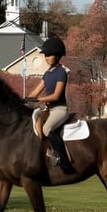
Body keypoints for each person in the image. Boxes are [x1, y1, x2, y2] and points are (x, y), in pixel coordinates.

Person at [29, 37, 74, 173]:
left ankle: (64, 161)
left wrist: (38, 100)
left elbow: (56, 96)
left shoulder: (61, 73)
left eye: (49, 55)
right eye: (45, 55)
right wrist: (24, 99)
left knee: (47, 128)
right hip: (48, 109)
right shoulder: (47, 73)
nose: (46, 58)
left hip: (60, 109)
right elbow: (36, 91)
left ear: (58, 56)